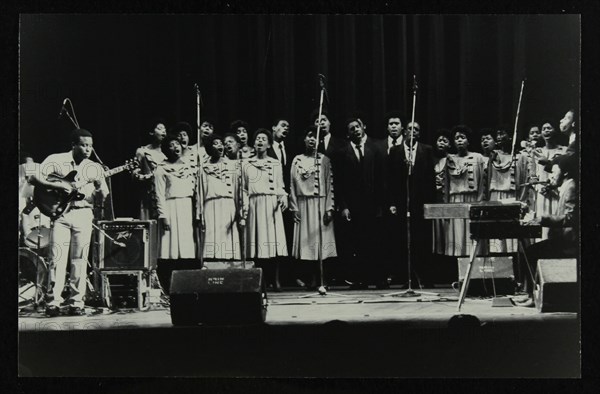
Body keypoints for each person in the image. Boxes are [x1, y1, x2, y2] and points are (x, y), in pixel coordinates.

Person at [28, 129, 109, 316]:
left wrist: (99, 190)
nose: (88, 149)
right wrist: (58, 185)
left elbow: (103, 194)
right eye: (83, 145)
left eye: (90, 145)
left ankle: (76, 303)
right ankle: (53, 303)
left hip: (84, 213)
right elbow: (33, 177)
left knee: (79, 260)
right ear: (73, 145)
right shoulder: (56, 159)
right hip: (61, 215)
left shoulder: (94, 167)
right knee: (57, 258)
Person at [518, 154, 578, 307]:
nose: (551, 176)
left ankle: (534, 296)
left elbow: (571, 218)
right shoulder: (567, 186)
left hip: (569, 244)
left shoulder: (572, 187)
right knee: (531, 252)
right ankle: (532, 294)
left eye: (554, 172)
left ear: (564, 172)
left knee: (531, 253)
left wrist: (543, 219)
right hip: (564, 240)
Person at [335, 116, 385, 289]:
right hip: (354, 206)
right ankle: (360, 280)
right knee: (357, 243)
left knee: (376, 243)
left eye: (357, 127)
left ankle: (378, 279)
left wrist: (381, 205)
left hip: (373, 205)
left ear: (364, 127)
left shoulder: (376, 149)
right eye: (351, 128)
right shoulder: (343, 152)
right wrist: (344, 206)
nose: (355, 130)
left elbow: (381, 180)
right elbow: (340, 183)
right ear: (348, 134)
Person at [388, 121, 436, 288]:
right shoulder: (395, 151)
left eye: (416, 129)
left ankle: (424, 277)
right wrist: (392, 203)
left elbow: (431, 180)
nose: (412, 131)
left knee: (422, 241)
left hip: (421, 204)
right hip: (403, 203)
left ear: (419, 133)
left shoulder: (427, 150)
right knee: (404, 241)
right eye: (409, 129)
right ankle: (408, 279)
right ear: (404, 131)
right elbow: (391, 179)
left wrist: (430, 204)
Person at [289, 126, 337, 289]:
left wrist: (329, 208)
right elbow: (292, 185)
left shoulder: (325, 160)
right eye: (309, 136)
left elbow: (329, 184)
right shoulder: (297, 160)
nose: (312, 140)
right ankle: (310, 278)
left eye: (315, 137)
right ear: (304, 139)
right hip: (304, 204)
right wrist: (294, 207)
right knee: (307, 242)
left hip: (321, 203)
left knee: (321, 242)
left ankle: (323, 278)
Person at [242, 129, 288, 291]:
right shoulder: (246, 163)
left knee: (273, 244)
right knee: (256, 244)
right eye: (257, 139)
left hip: (270, 204)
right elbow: (244, 188)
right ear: (254, 143)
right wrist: (245, 205)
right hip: (254, 204)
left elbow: (280, 186)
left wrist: (283, 197)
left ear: (269, 144)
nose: (260, 141)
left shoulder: (275, 163)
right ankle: (258, 281)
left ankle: (275, 280)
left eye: (263, 139)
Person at [154, 135, 198, 293]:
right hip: (171, 207)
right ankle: (168, 285)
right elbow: (159, 194)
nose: (176, 147)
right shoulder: (160, 169)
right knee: (169, 247)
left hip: (186, 206)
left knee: (186, 247)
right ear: (166, 150)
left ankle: (186, 284)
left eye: (177, 144)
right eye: (171, 145)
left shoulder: (189, 166)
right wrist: (163, 215)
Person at [484, 127, 528, 253]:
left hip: (512, 197)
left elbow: (524, 182)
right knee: (497, 238)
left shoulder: (521, 157)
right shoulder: (493, 156)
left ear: (511, 136)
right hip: (495, 197)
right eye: (497, 133)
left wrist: (522, 201)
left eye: (502, 133)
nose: (499, 136)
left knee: (513, 237)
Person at [445, 125, 486, 257]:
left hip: (472, 200)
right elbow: (446, 184)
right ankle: (457, 269)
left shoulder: (478, 158)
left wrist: (480, 203)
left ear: (468, 141)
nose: (459, 140)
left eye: (463, 137)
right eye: (457, 138)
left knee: (472, 233)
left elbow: (481, 183)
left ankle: (474, 266)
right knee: (457, 234)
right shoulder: (449, 159)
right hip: (455, 200)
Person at [200, 134, 241, 260]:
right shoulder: (203, 168)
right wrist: (199, 213)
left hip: (228, 204)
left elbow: (238, 189)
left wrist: (239, 210)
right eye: (215, 143)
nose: (220, 146)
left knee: (228, 239)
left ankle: (228, 267)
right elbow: (200, 191)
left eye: (220, 143)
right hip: (211, 205)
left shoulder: (233, 166)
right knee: (212, 238)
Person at [527, 121, 568, 241]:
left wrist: (555, 186)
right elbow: (533, 176)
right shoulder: (536, 152)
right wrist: (539, 188)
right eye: (543, 128)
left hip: (559, 194)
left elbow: (567, 173)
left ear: (555, 130)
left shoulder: (564, 151)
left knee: (558, 222)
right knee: (543, 226)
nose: (546, 131)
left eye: (549, 128)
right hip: (542, 195)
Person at [132, 118, 168, 220]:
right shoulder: (142, 151)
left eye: (165, 129)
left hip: (165, 195)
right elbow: (134, 174)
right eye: (160, 128)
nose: (163, 131)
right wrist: (146, 177)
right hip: (149, 197)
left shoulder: (168, 152)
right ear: (152, 132)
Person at [432, 129, 452, 255]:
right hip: (435, 199)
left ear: (449, 145)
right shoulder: (431, 159)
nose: (441, 143)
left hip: (448, 200)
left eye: (445, 141)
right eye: (439, 140)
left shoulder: (452, 160)